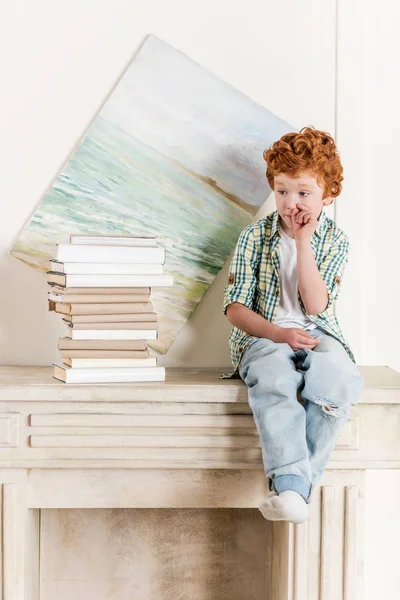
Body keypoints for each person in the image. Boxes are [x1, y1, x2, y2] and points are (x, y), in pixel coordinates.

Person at [223, 126, 364, 524]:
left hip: (319, 333)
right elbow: (235, 309)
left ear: (328, 195)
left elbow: (316, 306)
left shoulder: (335, 240)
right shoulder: (255, 235)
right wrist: (278, 334)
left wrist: (303, 243)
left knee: (338, 380)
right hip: (264, 335)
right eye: (282, 191)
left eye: (303, 192)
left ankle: (293, 491)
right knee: (274, 381)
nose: (290, 202)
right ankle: (293, 488)